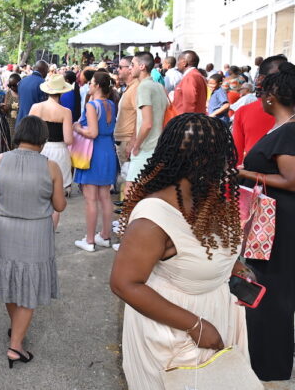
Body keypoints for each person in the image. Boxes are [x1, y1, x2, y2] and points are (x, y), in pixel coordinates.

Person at [110, 114, 249, 389]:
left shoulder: (208, 197)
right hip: (174, 328)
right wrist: (196, 326)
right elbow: (123, 283)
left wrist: (233, 266)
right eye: (219, 155)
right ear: (199, 159)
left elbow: (203, 248)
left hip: (215, 315)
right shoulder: (154, 217)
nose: (225, 163)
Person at [0, 116, 67, 367]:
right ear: (42, 139)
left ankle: (16, 329)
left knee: (10, 280)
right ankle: (15, 346)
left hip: (5, 228)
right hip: (36, 232)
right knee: (30, 284)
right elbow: (60, 205)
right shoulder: (51, 167)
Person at [237, 63, 295, 382]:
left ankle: (270, 366)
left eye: (261, 92)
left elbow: (290, 179)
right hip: (270, 220)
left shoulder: (288, 131)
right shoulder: (283, 129)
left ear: (272, 97)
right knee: (266, 288)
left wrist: (244, 173)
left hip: (278, 222)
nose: (258, 98)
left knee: (272, 292)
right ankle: (263, 359)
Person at [73, 72, 117, 252]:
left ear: (97, 85)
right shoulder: (111, 104)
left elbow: (92, 132)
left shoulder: (92, 105)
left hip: (94, 152)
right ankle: (105, 235)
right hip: (108, 150)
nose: (89, 85)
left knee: (91, 199)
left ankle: (89, 240)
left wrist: (76, 127)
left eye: (91, 82)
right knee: (105, 197)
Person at [29, 75, 73, 229]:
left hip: (39, 149)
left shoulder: (36, 107)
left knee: (36, 191)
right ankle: (50, 234)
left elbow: (29, 132)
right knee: (56, 194)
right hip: (59, 151)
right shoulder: (65, 111)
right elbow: (68, 139)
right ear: (61, 92)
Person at [126, 52, 168, 188]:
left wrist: (136, 146)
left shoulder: (144, 87)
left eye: (132, 65)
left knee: (130, 192)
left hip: (146, 148)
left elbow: (147, 123)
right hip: (158, 146)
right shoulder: (159, 87)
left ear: (142, 66)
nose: (129, 68)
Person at [233, 55, 286, 162]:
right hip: (253, 175)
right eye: (279, 76)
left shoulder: (244, 112)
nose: (285, 80)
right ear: (261, 79)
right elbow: (236, 156)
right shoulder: (243, 112)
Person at [113, 57, 139, 196]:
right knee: (126, 179)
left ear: (130, 69)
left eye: (121, 67)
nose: (118, 69)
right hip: (124, 140)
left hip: (128, 141)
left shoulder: (136, 88)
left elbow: (139, 116)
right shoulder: (130, 87)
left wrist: (132, 142)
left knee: (129, 180)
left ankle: (128, 212)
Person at [173, 50, 207, 114]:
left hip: (188, 120)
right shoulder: (198, 75)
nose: (177, 64)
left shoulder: (190, 77)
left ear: (184, 63)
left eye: (178, 61)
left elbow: (189, 103)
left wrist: (187, 121)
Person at [1, 73, 21, 138]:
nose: (12, 87)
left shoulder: (22, 93)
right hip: (9, 124)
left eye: (14, 85)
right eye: (10, 85)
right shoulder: (8, 93)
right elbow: (5, 108)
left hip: (19, 124)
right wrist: (3, 107)